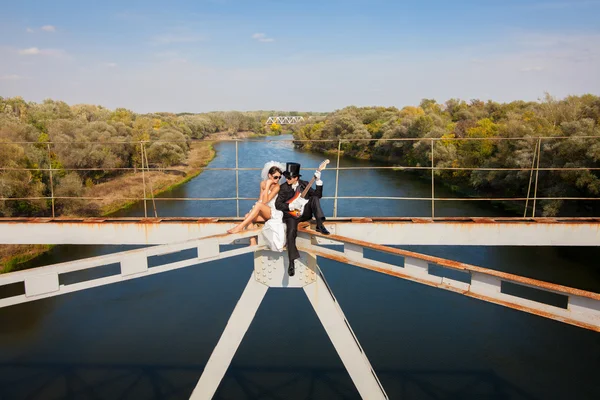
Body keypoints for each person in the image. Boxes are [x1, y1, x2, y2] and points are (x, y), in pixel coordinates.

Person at [275, 162, 330, 277]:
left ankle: (320, 224)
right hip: (291, 214)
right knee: (290, 232)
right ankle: (291, 262)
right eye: (286, 177)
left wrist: (318, 181)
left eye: (289, 178)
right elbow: (278, 205)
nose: (287, 179)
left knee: (314, 197)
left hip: (304, 213)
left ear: (296, 178)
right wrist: (290, 206)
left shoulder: (304, 184)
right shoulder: (283, 188)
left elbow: (318, 195)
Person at [227, 162, 284, 246]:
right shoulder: (262, 183)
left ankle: (240, 227)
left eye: (279, 177)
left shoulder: (277, 187)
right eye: (275, 177)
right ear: (269, 176)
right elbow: (260, 199)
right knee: (247, 216)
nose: (277, 179)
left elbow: (265, 201)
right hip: (262, 210)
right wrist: (256, 210)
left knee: (258, 206)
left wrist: (268, 185)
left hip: (271, 212)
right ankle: (253, 240)